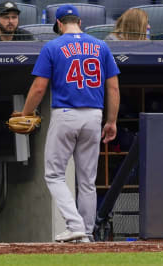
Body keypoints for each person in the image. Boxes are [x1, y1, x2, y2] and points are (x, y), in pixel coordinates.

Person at [19, 4, 120, 242]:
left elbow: (39, 87)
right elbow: (113, 87)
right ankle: (85, 233)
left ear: (59, 24)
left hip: (66, 113)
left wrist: (25, 112)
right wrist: (112, 121)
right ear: (80, 23)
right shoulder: (101, 45)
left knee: (54, 175)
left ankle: (75, 224)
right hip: (94, 115)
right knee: (87, 181)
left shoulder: (53, 46)